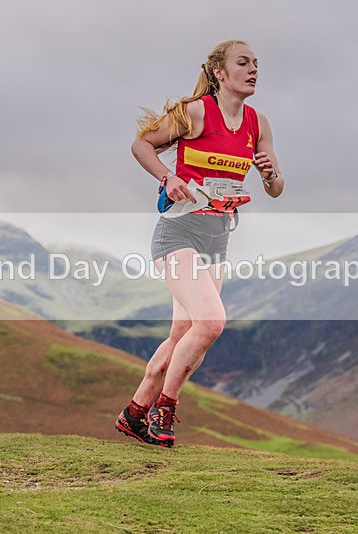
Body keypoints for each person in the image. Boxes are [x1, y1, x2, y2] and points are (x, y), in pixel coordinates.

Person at [115, 39, 284, 447]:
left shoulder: (258, 123)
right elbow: (142, 145)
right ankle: (165, 408)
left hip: (216, 239)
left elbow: (277, 188)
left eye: (257, 64)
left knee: (183, 334)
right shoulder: (196, 112)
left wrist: (268, 173)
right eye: (243, 63)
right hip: (179, 232)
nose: (254, 69)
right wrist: (167, 177)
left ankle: (134, 413)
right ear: (220, 73)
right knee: (211, 323)